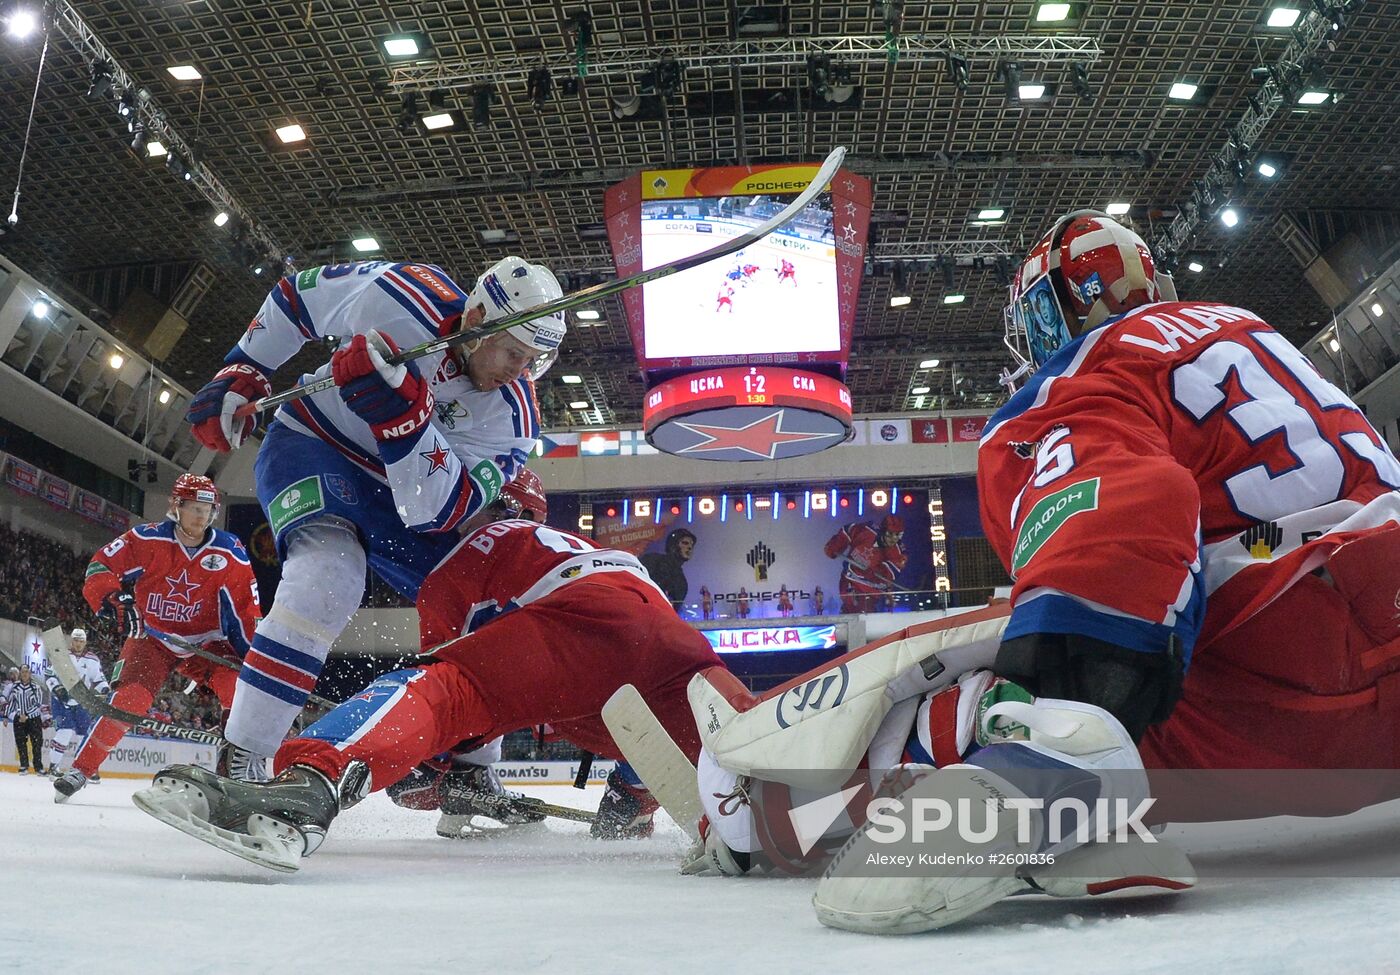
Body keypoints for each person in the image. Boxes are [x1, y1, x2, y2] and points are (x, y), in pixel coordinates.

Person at [730, 208, 1399, 933]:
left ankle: (769, 809)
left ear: (1061, 306)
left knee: (984, 673)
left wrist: (1077, 708)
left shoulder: (1091, 368)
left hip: (1299, 674)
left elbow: (1127, 502)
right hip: (1366, 606)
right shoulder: (1248, 327)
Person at [133, 471, 728, 872]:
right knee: (715, 735)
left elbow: (459, 703)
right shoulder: (597, 548)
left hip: (574, 633)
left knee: (441, 687)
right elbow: (627, 650)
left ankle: (310, 784)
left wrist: (433, 772)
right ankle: (644, 803)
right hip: (664, 636)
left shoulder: (478, 548)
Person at [185, 256, 565, 778]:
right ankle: (244, 756)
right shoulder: (402, 292)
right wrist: (246, 365)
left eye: (533, 360)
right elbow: (299, 298)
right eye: (513, 352)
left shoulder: (515, 419)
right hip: (313, 444)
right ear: (477, 320)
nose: (518, 372)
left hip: (401, 500)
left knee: (490, 608)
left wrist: (401, 421)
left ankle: (470, 769)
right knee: (326, 578)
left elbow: (437, 511)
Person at [53, 474, 261, 802]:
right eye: (194, 507)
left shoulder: (229, 550)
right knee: (129, 701)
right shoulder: (146, 539)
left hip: (205, 642)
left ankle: (234, 770)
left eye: (208, 509)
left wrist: (255, 660)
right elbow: (99, 567)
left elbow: (245, 612)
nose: (201, 516)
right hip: (152, 638)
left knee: (239, 690)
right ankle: (81, 768)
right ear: (175, 506)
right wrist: (115, 598)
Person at [41, 628, 108, 776]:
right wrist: (57, 689)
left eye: (81, 641)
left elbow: (99, 679)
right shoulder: (62, 656)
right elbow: (49, 674)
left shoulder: (93, 660)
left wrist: (105, 691)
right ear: (71, 641)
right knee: (65, 731)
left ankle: (86, 768)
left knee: (86, 735)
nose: (78, 644)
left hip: (81, 702)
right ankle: (53, 767)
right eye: (76, 640)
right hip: (61, 701)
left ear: (85, 642)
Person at [823, 514, 907, 613]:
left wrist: (877, 572)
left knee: (864, 613)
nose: (894, 539)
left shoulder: (898, 552)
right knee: (849, 609)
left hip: (870, 589)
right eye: (890, 534)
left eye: (898, 535)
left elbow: (892, 571)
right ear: (882, 530)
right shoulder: (865, 531)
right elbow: (848, 531)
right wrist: (836, 544)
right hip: (849, 579)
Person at [639, 528, 696, 611]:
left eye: (692, 544)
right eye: (685, 543)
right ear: (673, 546)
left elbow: (675, 608)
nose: (690, 547)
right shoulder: (652, 560)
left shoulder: (682, 581)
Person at [6, 665, 44, 774]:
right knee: (20, 742)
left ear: (30, 673)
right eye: (23, 672)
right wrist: (6, 715)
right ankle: (24, 765)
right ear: (20, 674)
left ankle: (38, 767)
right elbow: (12, 702)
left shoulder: (35, 687)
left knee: (36, 743)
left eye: (26, 672)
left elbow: (38, 704)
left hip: (33, 719)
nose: (25, 674)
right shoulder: (15, 686)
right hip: (19, 719)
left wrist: (26, 715)